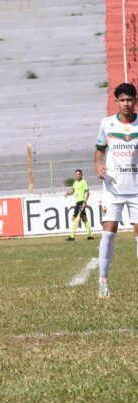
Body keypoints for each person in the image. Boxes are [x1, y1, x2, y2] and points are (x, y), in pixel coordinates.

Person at [94, 82, 138, 298]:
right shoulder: (107, 124)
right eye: (122, 100)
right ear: (117, 102)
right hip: (112, 186)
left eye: (130, 99)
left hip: (137, 187)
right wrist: (98, 165)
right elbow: (99, 149)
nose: (126, 103)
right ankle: (103, 281)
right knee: (109, 233)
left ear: (135, 101)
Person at [63, 169, 94, 240]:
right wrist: (68, 194)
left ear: (81, 175)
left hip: (81, 202)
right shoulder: (75, 183)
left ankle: (72, 236)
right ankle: (90, 235)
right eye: (76, 174)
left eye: (78, 174)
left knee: (75, 218)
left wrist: (85, 202)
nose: (77, 175)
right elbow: (73, 191)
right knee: (84, 218)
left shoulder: (84, 182)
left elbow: (87, 193)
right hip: (77, 203)